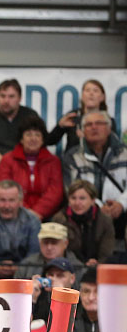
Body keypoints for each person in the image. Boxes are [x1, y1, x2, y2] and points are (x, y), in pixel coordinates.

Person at [62, 111, 127, 243]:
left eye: (99, 123)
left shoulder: (125, 153)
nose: (94, 127)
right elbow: (72, 189)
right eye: (88, 125)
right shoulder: (73, 156)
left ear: (109, 129)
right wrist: (97, 207)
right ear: (82, 131)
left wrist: (121, 204)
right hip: (88, 213)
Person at [0, 79, 40, 209]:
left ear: (19, 98)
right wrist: (8, 162)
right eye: (3, 96)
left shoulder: (30, 115)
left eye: (11, 96)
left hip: (23, 160)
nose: (6, 100)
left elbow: (37, 143)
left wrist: (16, 163)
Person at [0, 116, 63, 220]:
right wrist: (26, 213)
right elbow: (4, 189)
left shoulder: (53, 161)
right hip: (14, 213)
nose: (33, 139)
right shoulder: (7, 160)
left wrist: (37, 213)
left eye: (37, 135)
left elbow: (55, 192)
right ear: (21, 139)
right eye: (28, 134)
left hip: (46, 215)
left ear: (43, 140)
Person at [51, 179, 115, 266]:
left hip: (96, 268)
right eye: (73, 198)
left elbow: (107, 253)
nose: (77, 203)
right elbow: (57, 251)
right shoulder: (59, 219)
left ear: (93, 200)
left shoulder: (105, 221)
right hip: (67, 267)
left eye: (82, 198)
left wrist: (97, 263)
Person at [47, 80, 116, 153]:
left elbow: (113, 148)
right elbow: (49, 142)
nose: (91, 93)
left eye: (95, 91)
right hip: (72, 161)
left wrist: (87, 138)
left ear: (102, 97)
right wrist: (60, 127)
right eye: (87, 90)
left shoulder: (108, 121)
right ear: (82, 96)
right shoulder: (72, 117)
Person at [15, 221, 85, 281]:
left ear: (65, 243)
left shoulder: (78, 268)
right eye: (45, 242)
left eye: (54, 243)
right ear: (39, 242)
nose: (49, 247)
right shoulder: (26, 266)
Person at [31, 257, 78, 322]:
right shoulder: (40, 294)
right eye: (50, 274)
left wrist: (61, 295)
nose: (53, 279)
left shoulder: (77, 298)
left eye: (60, 275)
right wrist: (32, 299)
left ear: (72, 278)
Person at [70, 267, 98, 332]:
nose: (91, 297)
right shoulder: (68, 318)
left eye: (97, 291)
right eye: (86, 291)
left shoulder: (120, 322)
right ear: (80, 293)